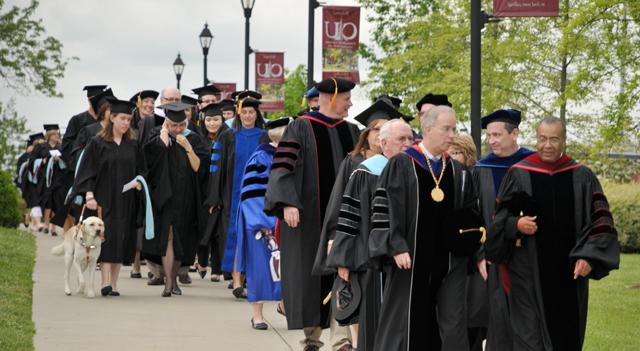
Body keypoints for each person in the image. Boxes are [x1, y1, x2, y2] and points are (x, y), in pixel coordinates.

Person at [487, 117, 620, 350]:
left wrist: (589, 256)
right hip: (527, 275)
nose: (547, 145)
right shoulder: (518, 174)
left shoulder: (582, 176)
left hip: (569, 276)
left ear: (564, 141)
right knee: (529, 338)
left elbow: (602, 221)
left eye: (554, 140)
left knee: (566, 337)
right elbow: (498, 220)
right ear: (536, 138)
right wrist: (516, 224)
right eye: (542, 139)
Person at [369, 105, 476, 351]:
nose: (452, 134)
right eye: (446, 129)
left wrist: (472, 250)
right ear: (427, 129)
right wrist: (396, 245)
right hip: (410, 259)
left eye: (454, 128)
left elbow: (470, 216)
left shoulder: (458, 172)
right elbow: (384, 209)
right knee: (407, 322)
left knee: (452, 324)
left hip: (450, 263)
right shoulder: (402, 165)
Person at [264, 78, 360, 351]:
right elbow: (282, 166)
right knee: (310, 279)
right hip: (308, 218)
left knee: (343, 273)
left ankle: (341, 340)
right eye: (346, 99)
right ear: (332, 98)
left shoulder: (352, 131)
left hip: (343, 217)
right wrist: (287, 202)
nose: (350, 104)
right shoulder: (301, 127)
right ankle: (311, 339)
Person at [326, 119, 414, 351]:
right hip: (374, 263)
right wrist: (343, 261)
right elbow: (348, 219)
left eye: (410, 139)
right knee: (376, 322)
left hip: (410, 262)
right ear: (384, 143)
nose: (407, 144)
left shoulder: (418, 172)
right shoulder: (367, 172)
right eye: (401, 139)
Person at [72, 99, 148, 297]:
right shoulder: (97, 143)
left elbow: (142, 169)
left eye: (128, 119)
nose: (125, 123)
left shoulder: (133, 144)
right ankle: (105, 282)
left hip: (127, 199)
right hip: (104, 198)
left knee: (122, 239)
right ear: (112, 118)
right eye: (122, 118)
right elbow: (87, 170)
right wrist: (89, 195)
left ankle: (114, 284)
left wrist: (140, 181)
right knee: (107, 238)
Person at [473, 109, 535, 350]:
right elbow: (474, 215)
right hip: (494, 256)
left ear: (515, 133)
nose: (491, 141)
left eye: (497, 135)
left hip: (528, 255)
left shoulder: (533, 165)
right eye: (489, 136)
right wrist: (480, 254)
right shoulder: (482, 169)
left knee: (529, 316)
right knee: (498, 319)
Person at [205, 91, 268, 298]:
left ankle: (248, 278)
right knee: (233, 235)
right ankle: (236, 280)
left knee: (253, 236)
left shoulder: (263, 136)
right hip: (231, 195)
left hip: (256, 195)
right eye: (245, 112)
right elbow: (216, 168)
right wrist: (214, 197)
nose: (248, 116)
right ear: (238, 114)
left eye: (251, 112)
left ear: (256, 114)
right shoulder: (228, 135)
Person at [143, 101, 209, 297]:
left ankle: (174, 280)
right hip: (164, 196)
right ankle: (169, 283)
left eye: (181, 125)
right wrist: (163, 136)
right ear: (166, 122)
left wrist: (188, 147)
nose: (177, 129)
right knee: (168, 236)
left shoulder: (194, 139)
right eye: (173, 125)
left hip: (186, 197)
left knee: (181, 238)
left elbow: (198, 167)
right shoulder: (156, 135)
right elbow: (148, 161)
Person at [236, 117, 291, 330]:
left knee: (285, 268)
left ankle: (285, 305)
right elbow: (251, 193)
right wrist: (265, 221)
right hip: (262, 224)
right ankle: (257, 315)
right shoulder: (261, 158)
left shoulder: (290, 158)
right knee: (260, 267)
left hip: (285, 223)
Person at [196, 103, 229, 282]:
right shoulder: (199, 139)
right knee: (203, 228)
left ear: (222, 120)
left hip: (220, 189)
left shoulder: (227, 139)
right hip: (202, 189)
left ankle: (216, 269)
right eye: (209, 119)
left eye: (216, 119)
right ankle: (201, 261)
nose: (212, 123)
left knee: (217, 230)